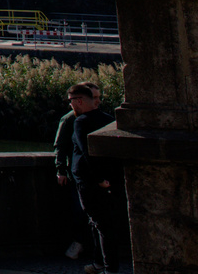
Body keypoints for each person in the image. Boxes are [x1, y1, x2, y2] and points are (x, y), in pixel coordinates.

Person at [67, 82, 127, 274]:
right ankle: (101, 264)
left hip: (91, 182)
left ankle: (109, 268)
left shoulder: (81, 121)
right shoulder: (108, 119)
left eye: (71, 101)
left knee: (102, 226)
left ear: (78, 101)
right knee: (103, 225)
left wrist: (98, 179)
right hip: (109, 180)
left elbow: (87, 152)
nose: (70, 105)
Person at [54, 105, 89, 260]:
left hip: (92, 174)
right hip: (76, 174)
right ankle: (78, 242)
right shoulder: (69, 119)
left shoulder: (100, 117)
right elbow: (60, 146)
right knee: (79, 211)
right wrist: (60, 170)